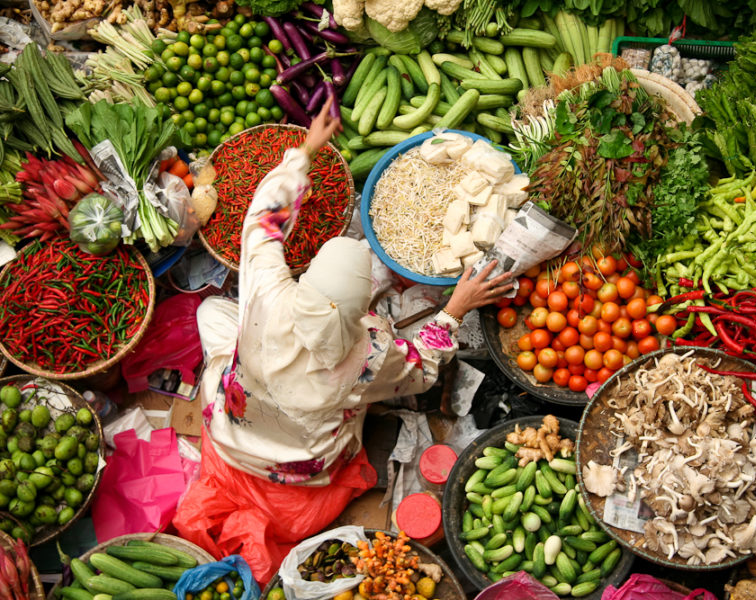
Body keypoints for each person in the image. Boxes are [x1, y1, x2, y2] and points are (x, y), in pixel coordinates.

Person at [172, 97, 515, 584]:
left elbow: (262, 222)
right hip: (301, 464)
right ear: (362, 311)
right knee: (367, 398)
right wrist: (456, 308)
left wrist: (304, 152)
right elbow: (420, 367)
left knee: (212, 311)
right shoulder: (368, 356)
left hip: (231, 426)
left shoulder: (268, 292)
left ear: (306, 278)